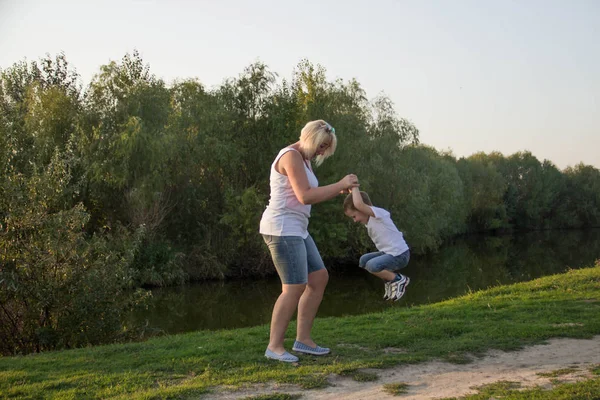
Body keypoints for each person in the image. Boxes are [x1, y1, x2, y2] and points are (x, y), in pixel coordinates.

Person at [259, 120, 358, 363]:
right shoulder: (291, 156)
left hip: (298, 229)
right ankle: (274, 347)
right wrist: (340, 185)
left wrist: (338, 189)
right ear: (310, 138)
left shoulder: (304, 160)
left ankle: (303, 340)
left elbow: (307, 193)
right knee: (293, 287)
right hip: (282, 229)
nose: (322, 152)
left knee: (319, 277)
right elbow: (305, 196)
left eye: (325, 148)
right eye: (321, 146)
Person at [343, 186, 411, 301]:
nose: (355, 220)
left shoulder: (379, 215)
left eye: (354, 216)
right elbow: (357, 204)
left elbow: (359, 204)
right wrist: (351, 193)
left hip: (400, 255)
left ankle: (398, 279)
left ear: (363, 209)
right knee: (364, 260)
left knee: (372, 265)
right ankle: (389, 281)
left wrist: (354, 187)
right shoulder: (368, 220)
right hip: (389, 253)